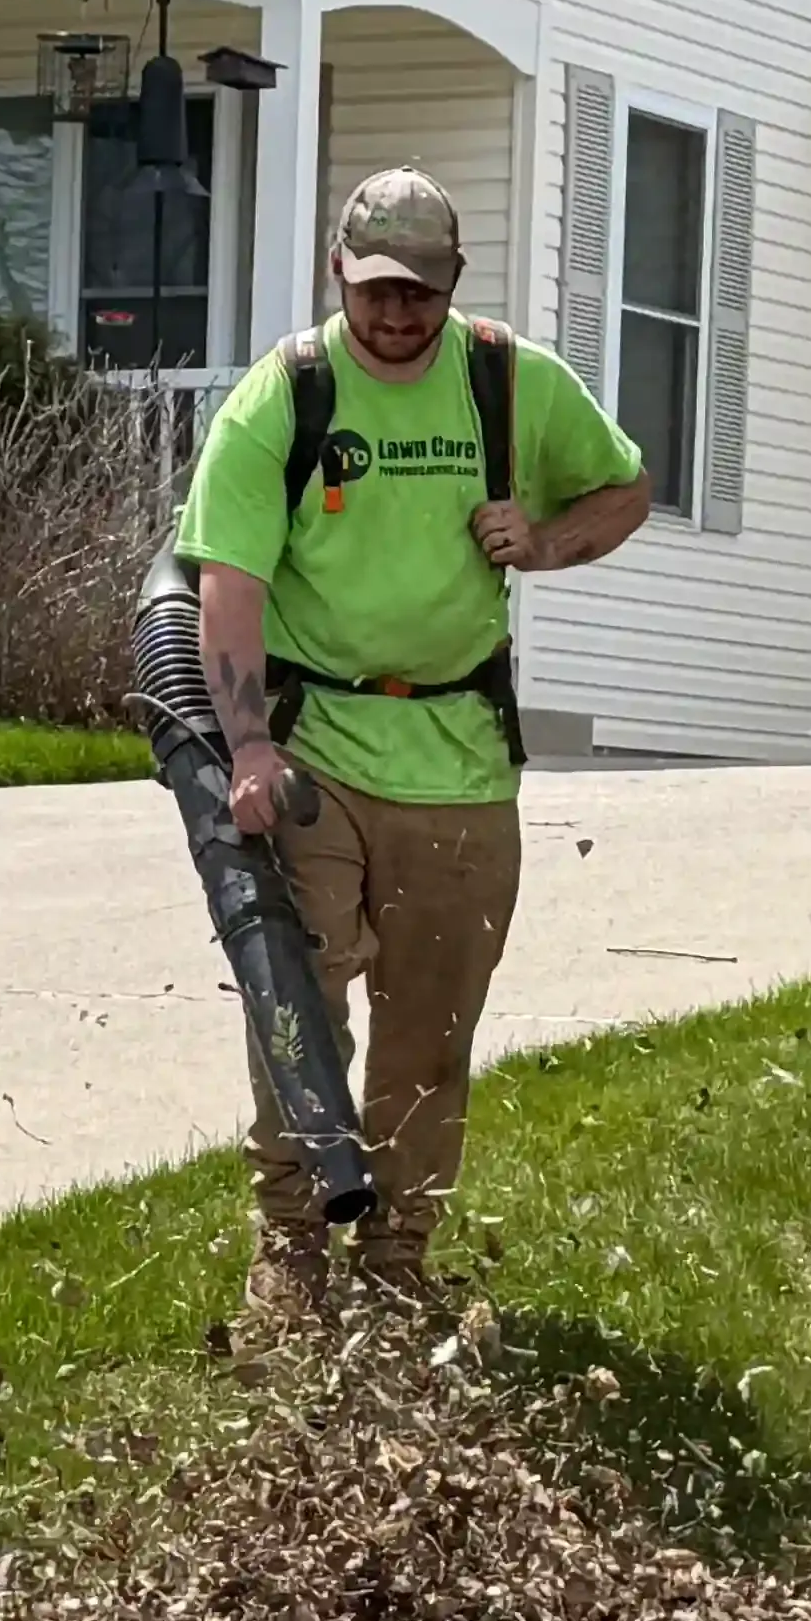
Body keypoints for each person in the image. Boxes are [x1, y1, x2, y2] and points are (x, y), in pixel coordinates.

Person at [179, 166, 650, 1319]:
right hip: (317, 745)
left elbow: (626, 492)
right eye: (378, 291)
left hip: (460, 753)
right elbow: (227, 589)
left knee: (431, 1031)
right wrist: (246, 750)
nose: (398, 317)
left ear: (453, 284)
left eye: (420, 294)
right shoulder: (284, 396)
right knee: (301, 995)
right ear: (339, 272)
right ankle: (289, 1247)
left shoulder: (507, 382)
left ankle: (396, 1263)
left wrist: (541, 540)